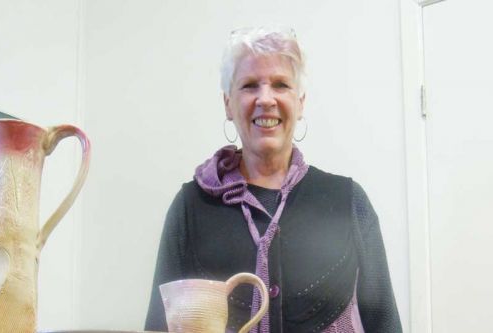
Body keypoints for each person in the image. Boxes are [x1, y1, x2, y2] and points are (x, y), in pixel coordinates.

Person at [145, 26, 402, 333]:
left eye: (281, 85)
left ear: (300, 102)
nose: (265, 98)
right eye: (250, 85)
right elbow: (158, 327)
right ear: (228, 103)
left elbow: (385, 325)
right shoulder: (190, 207)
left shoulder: (349, 202)